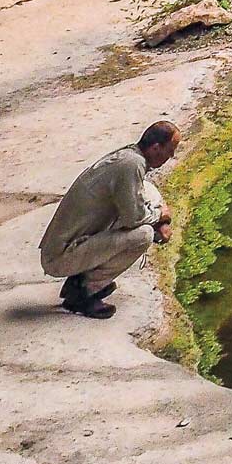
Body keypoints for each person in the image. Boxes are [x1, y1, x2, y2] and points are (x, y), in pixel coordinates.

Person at [40, 121, 179, 317]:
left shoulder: (130, 155)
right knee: (144, 235)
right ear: (156, 148)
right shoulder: (132, 165)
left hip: (70, 243)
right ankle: (84, 291)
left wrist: (160, 220)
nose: (171, 157)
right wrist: (160, 217)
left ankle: (83, 280)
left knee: (149, 191)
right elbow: (134, 218)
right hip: (60, 257)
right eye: (170, 151)